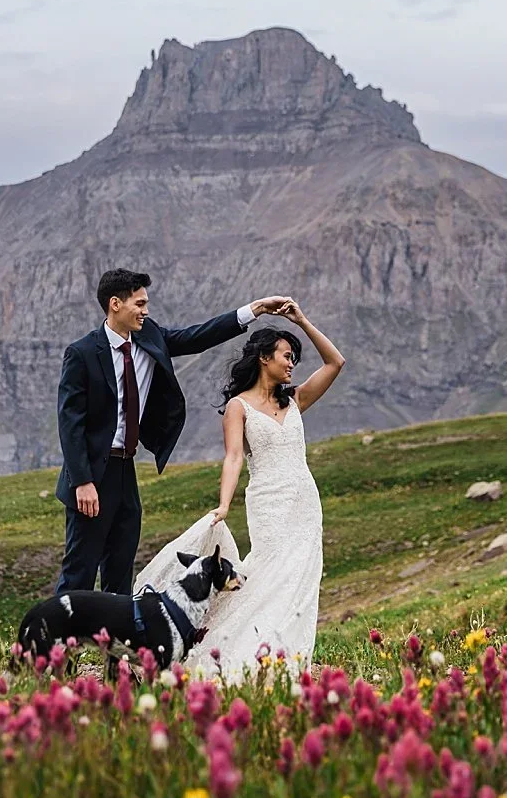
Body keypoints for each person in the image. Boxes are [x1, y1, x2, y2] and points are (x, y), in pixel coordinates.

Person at [53, 267, 289, 596]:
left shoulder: (149, 336)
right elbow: (70, 422)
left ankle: (115, 631)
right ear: (115, 304)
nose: (145, 311)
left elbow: (197, 337)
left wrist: (255, 309)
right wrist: (82, 481)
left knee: (120, 568)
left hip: (125, 470)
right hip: (92, 475)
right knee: (80, 569)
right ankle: (56, 632)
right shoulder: (81, 353)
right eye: (139, 304)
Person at [143, 298, 344, 681]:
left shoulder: (295, 400)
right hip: (268, 501)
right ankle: (231, 650)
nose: (291, 364)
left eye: (293, 358)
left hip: (304, 501)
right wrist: (223, 505)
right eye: (286, 356)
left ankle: (287, 656)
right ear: (264, 358)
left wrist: (302, 320)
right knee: (268, 573)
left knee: (300, 579)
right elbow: (234, 458)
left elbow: (336, 363)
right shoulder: (239, 407)